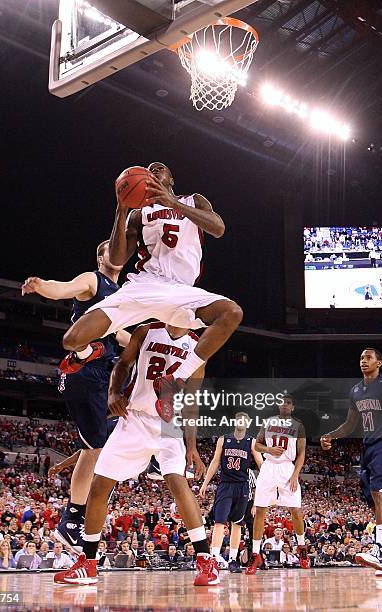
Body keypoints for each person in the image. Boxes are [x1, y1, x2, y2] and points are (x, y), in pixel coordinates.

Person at [57, 162, 243, 422]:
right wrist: (121, 210)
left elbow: (218, 228)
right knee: (72, 340)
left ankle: (175, 380)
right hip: (143, 286)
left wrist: (172, 203)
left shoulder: (194, 200)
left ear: (171, 178)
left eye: (159, 168)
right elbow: (118, 258)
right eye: (149, 169)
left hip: (180, 291)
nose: (153, 171)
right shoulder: (139, 213)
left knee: (231, 313)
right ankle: (91, 353)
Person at [53, 322, 219, 587]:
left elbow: (191, 399)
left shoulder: (198, 346)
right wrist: (113, 393)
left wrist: (192, 447)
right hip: (134, 417)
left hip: (169, 423)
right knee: (99, 487)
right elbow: (122, 365)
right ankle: (89, 563)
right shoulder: (146, 331)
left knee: (178, 483)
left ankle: (205, 560)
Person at [22, 241, 130, 552]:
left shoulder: (121, 295)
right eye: (110, 248)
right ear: (100, 256)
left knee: (94, 445)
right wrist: (42, 285)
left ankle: (72, 518)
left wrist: (150, 337)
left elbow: (122, 335)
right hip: (86, 371)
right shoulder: (93, 279)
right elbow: (64, 288)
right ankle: (71, 518)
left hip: (102, 369)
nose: (117, 251)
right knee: (95, 446)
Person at [320, 348, 382, 576]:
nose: (363, 361)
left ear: (379, 362)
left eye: (368, 357)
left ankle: (380, 550)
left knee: (380, 493)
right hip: (369, 447)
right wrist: (331, 435)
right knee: (376, 502)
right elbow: (350, 424)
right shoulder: (355, 391)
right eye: (361, 357)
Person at [247, 395, 309, 574]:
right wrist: (269, 450)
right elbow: (257, 446)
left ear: (293, 407)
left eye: (288, 402)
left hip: (287, 468)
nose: (285, 405)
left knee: (296, 511)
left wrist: (296, 475)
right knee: (260, 510)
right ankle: (255, 554)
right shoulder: (267, 422)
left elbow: (301, 453)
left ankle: (302, 548)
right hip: (268, 467)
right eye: (282, 402)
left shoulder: (298, 426)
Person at [199, 412, 262, 573]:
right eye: (239, 419)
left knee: (237, 524)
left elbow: (262, 464)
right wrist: (205, 483)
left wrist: (267, 484)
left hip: (242, 486)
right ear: (235, 421)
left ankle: (233, 560)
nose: (241, 421)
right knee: (219, 522)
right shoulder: (223, 439)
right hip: (225, 485)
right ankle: (213, 558)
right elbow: (214, 462)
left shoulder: (251, 442)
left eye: (245, 420)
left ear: (248, 423)